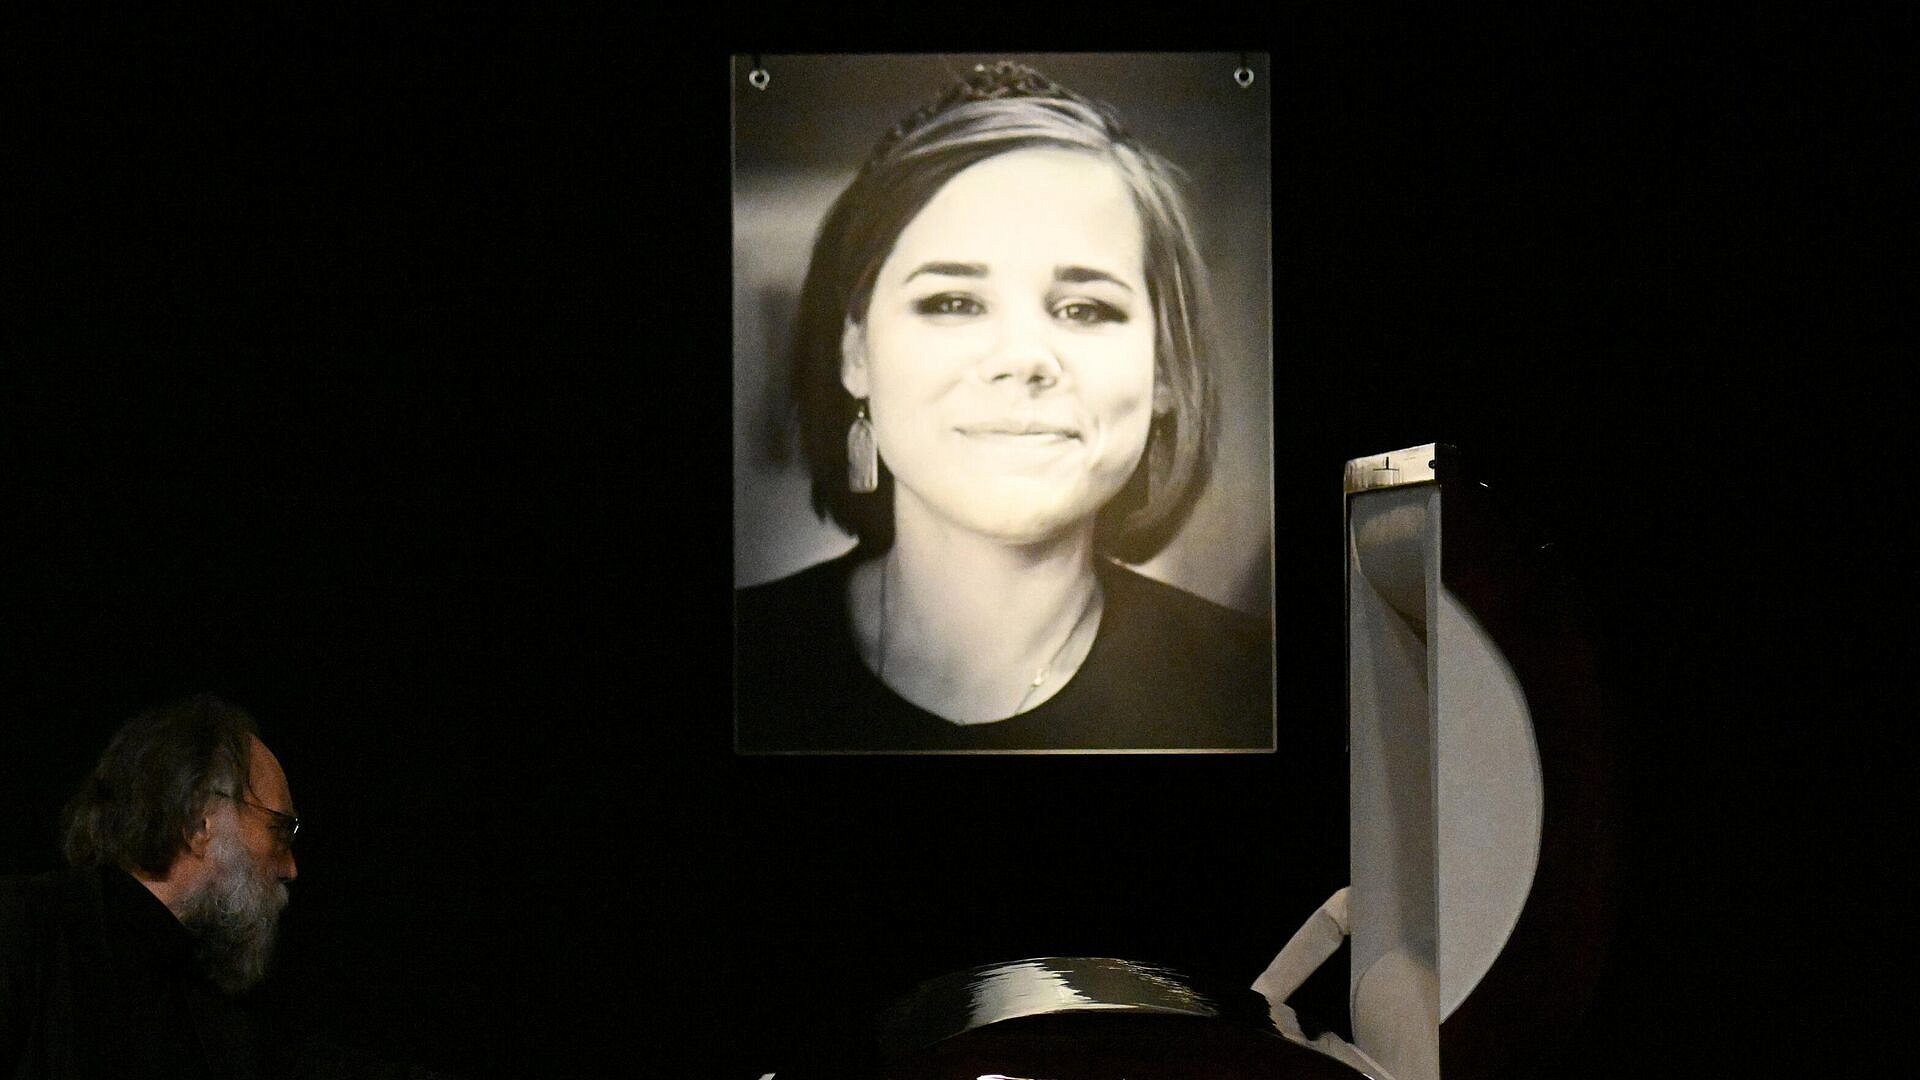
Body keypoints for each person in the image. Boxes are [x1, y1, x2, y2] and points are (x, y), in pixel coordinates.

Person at [734, 61, 1274, 752]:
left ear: (1165, 369)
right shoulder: (745, 665)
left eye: (1084, 309)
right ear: (857, 353)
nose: (1023, 357)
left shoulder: (1258, 693)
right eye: (953, 302)